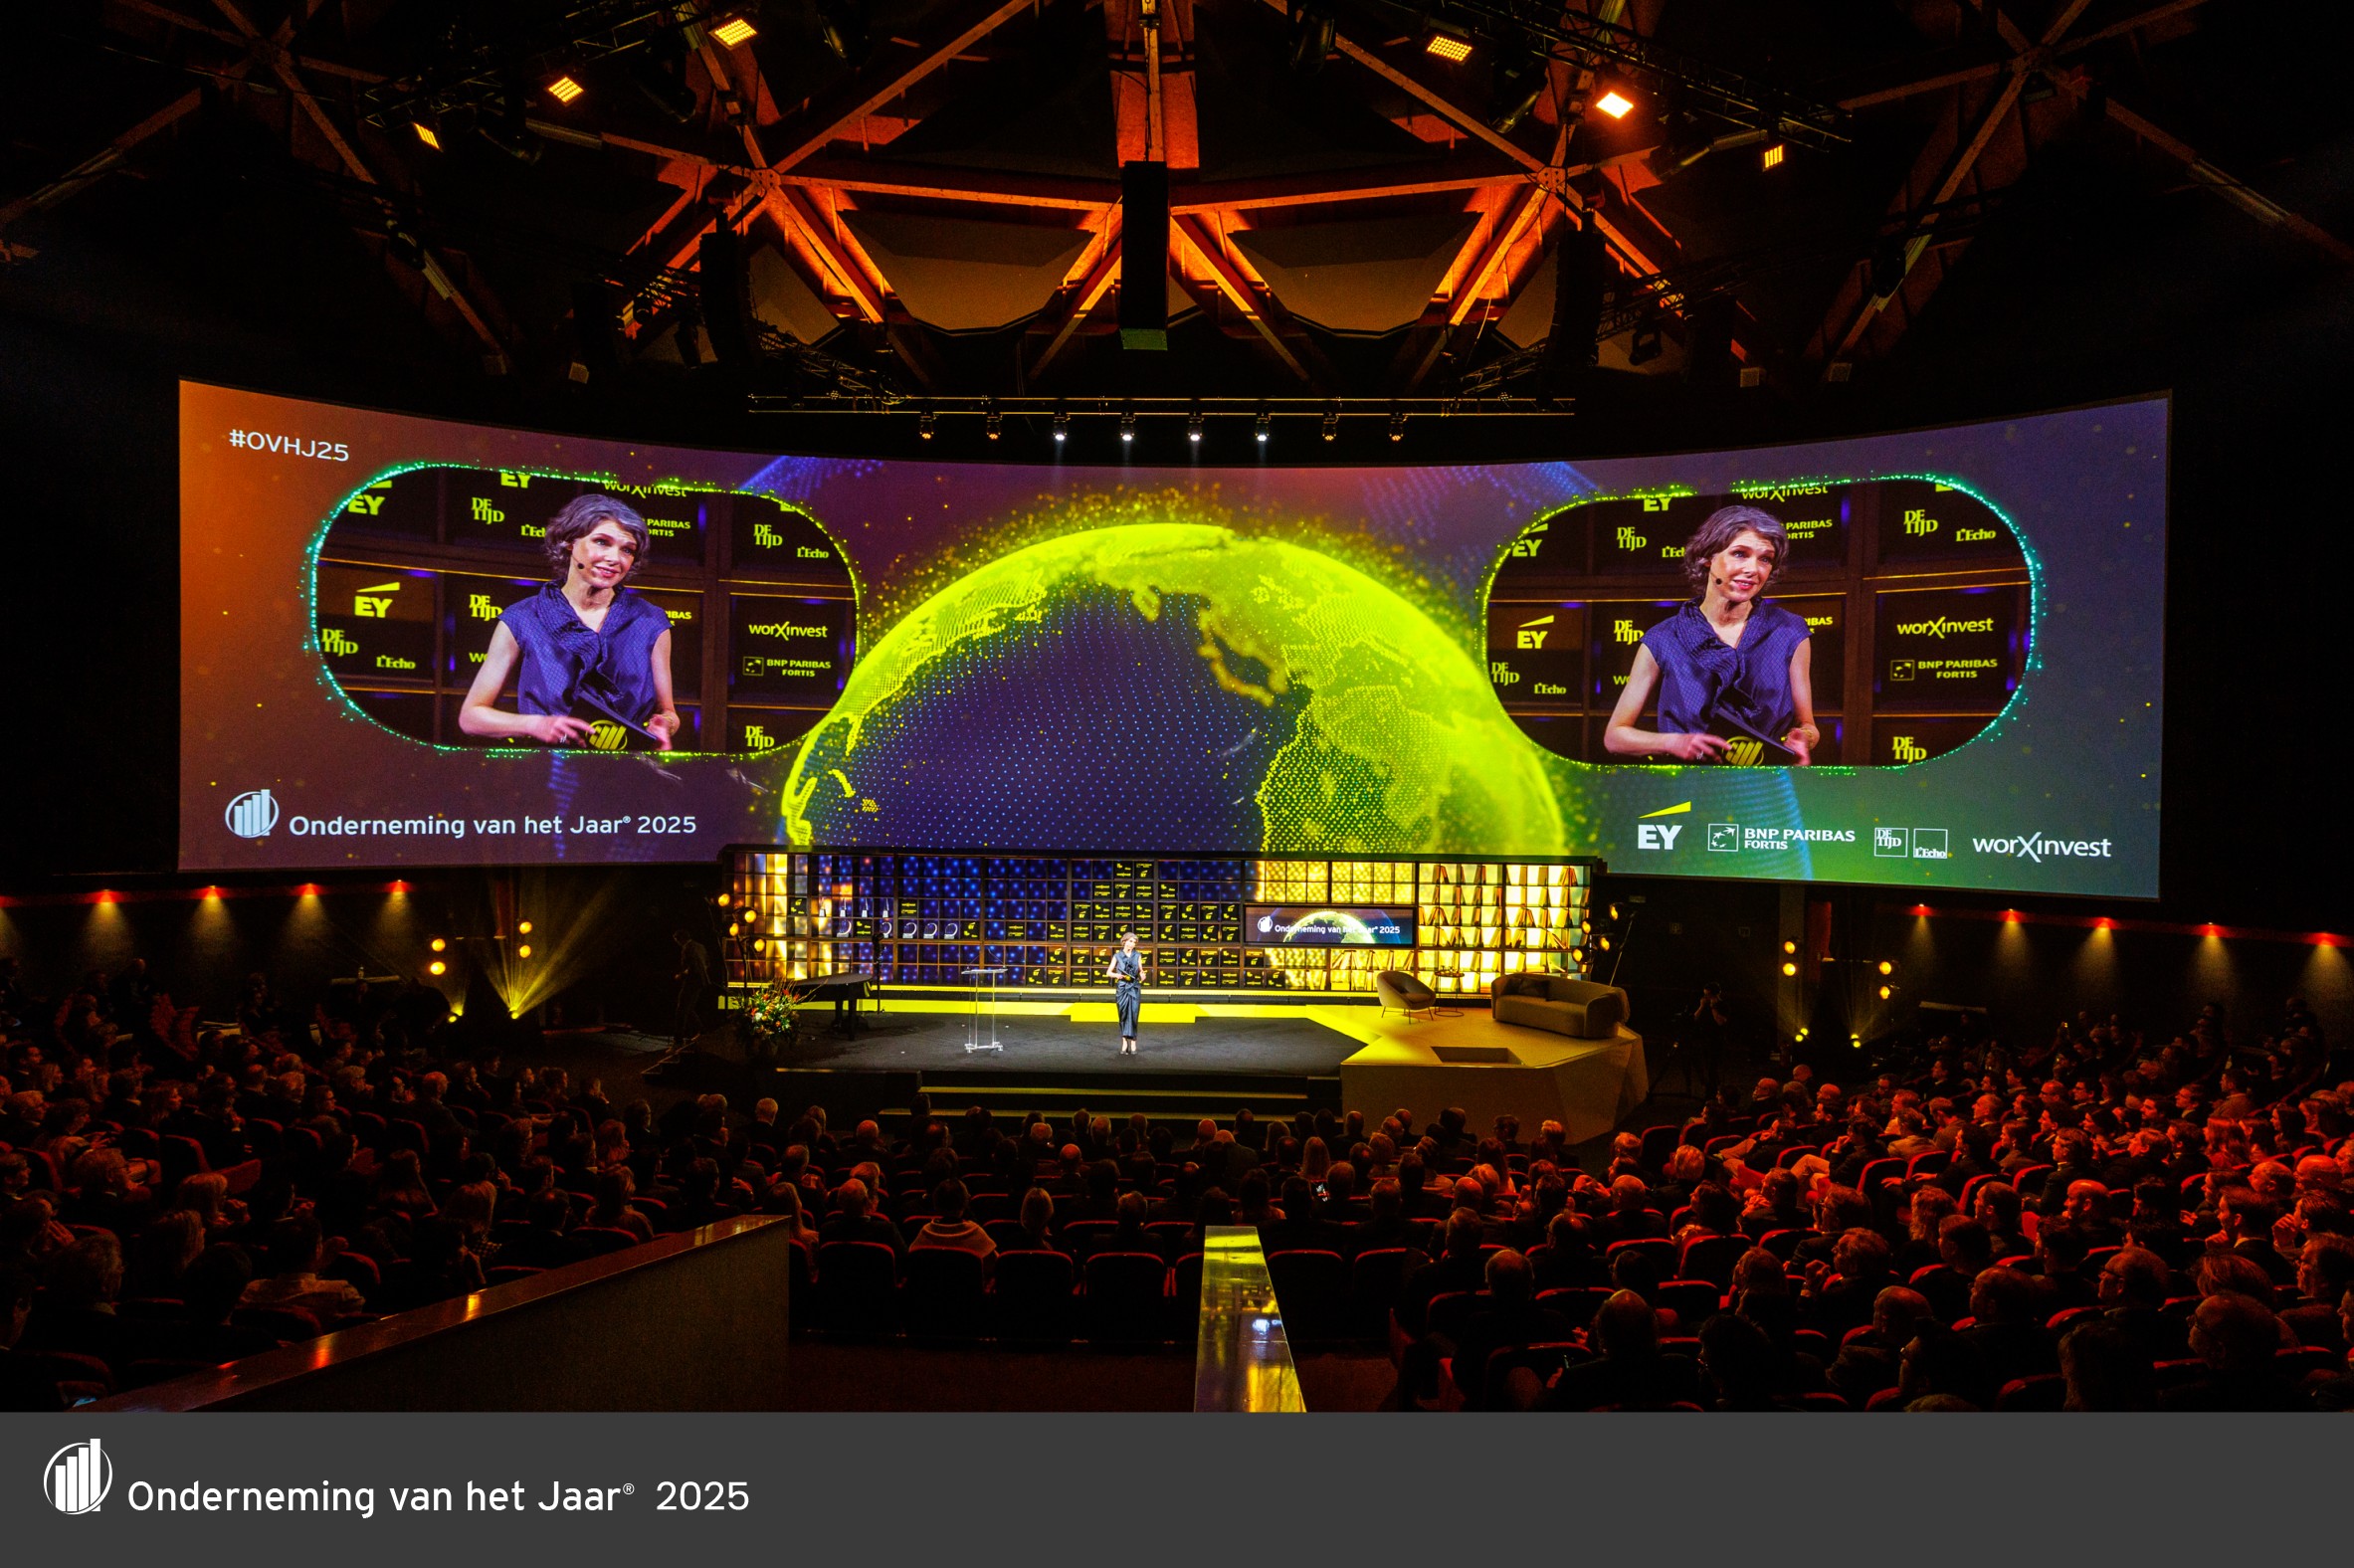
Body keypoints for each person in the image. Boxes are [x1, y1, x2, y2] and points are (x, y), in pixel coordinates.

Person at [458, 492, 680, 749]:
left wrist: (664, 724)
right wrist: (535, 725)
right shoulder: (523, 618)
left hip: (626, 767)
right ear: (569, 542)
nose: (614, 559)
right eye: (602, 542)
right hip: (548, 767)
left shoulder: (650, 622)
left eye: (627, 550)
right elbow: (471, 717)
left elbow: (668, 712)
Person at [1603, 504, 1819, 765]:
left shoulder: (1789, 632)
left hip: (1764, 783)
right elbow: (1615, 737)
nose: (1754, 569)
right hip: (1690, 782)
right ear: (1707, 557)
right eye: (1740, 554)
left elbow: (1807, 725)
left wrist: (1803, 738)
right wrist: (1673, 742)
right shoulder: (1663, 638)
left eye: (1765, 559)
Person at [1106, 932, 1144, 1058]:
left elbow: (1141, 971)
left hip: (1134, 988)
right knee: (1123, 1015)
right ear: (1125, 941)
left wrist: (1143, 975)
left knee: (1133, 1014)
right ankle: (1124, 1042)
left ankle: (1133, 1042)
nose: (1133, 944)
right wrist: (1117, 975)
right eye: (1131, 941)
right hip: (1122, 988)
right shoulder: (1117, 956)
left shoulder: (1138, 955)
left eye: (1134, 942)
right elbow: (1108, 972)